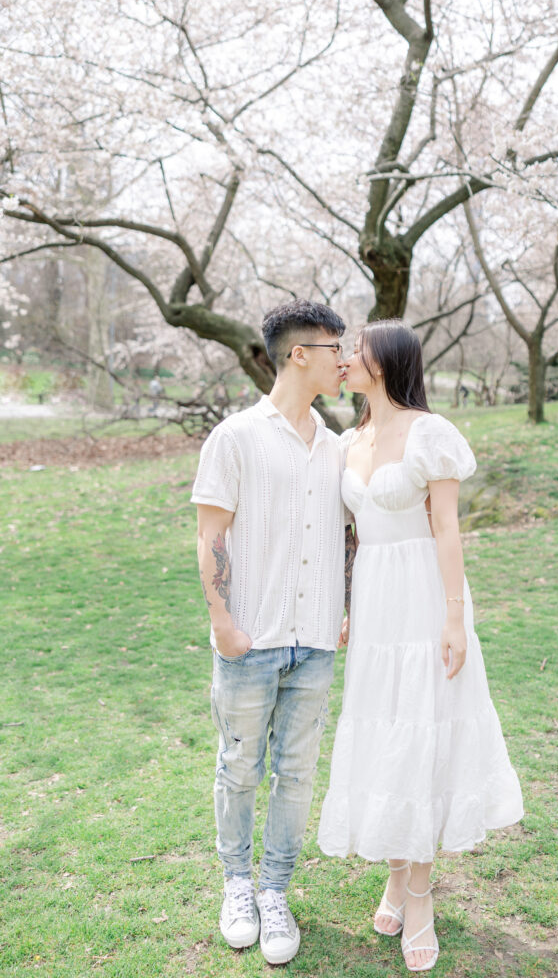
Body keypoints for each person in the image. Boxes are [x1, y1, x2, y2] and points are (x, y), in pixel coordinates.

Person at [318, 319, 523, 973]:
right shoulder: (348, 441)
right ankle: (394, 876)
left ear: (386, 361)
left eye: (356, 351)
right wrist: (346, 607)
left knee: (422, 736)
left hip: (425, 599)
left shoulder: (428, 434)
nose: (345, 359)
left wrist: (455, 618)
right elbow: (351, 537)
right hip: (375, 604)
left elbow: (446, 531)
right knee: (386, 739)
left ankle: (420, 898)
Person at [191, 300, 347, 965]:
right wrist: (223, 622)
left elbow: (346, 535)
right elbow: (210, 535)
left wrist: (343, 609)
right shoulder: (235, 437)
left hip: (314, 641)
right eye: (336, 349)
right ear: (299, 355)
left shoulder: (339, 446)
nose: (347, 361)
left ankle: (276, 890)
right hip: (250, 639)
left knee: (295, 772)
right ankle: (237, 885)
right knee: (238, 766)